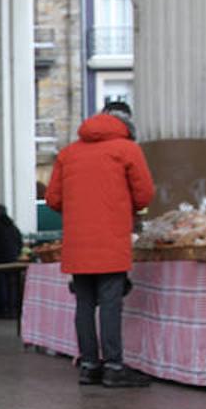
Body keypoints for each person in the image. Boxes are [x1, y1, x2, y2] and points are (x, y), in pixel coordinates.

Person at [47, 108, 155, 387]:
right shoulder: (127, 149)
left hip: (78, 242)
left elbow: (53, 198)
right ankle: (114, 366)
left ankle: (88, 364)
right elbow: (144, 195)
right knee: (110, 304)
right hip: (111, 239)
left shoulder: (68, 153)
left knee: (84, 304)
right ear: (127, 128)